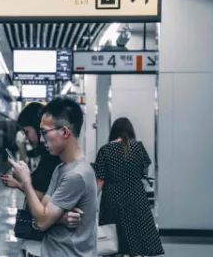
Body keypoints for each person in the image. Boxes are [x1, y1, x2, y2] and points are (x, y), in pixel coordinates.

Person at [9, 97, 97, 257]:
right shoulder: (60, 169)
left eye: (45, 133)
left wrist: (26, 181)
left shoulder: (76, 175)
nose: (42, 140)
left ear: (64, 132)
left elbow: (41, 222)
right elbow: (39, 214)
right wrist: (57, 218)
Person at [94, 117, 164, 257]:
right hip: (136, 197)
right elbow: (145, 169)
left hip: (112, 200)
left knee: (114, 241)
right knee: (136, 241)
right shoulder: (138, 147)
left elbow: (99, 181)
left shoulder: (105, 150)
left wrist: (88, 202)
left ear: (113, 132)